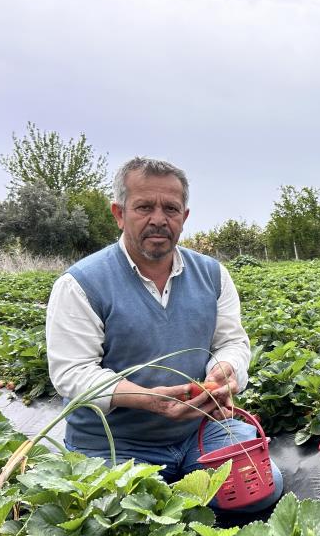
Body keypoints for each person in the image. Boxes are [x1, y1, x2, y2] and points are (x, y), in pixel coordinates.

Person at [45, 157, 283, 512]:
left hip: (199, 431)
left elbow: (231, 341)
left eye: (170, 208)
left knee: (259, 490)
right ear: (119, 213)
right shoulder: (80, 284)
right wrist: (147, 399)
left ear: (184, 217)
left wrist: (225, 371)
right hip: (114, 445)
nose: (159, 219)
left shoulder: (212, 274)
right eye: (144, 207)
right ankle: (181, 500)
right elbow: (72, 372)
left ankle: (189, 491)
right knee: (127, 516)